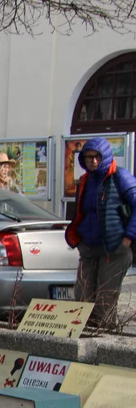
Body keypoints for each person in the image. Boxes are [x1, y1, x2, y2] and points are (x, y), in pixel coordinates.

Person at [65, 137, 136, 326]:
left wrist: (128, 238)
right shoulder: (85, 181)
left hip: (114, 249)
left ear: (106, 156)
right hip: (88, 248)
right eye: (89, 157)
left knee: (104, 305)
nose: (93, 161)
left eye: (97, 157)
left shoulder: (120, 176)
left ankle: (104, 349)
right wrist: (78, 241)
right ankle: (78, 352)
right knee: (80, 304)